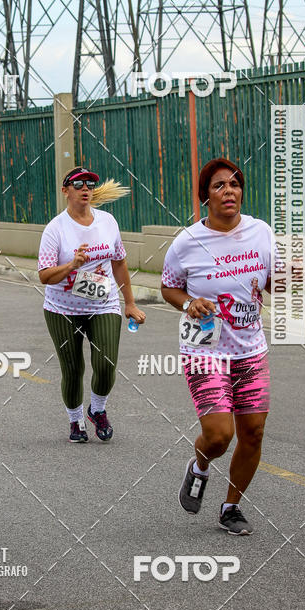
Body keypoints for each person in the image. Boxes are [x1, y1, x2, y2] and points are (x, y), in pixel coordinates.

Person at [161, 158, 276, 536]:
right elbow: (168, 286)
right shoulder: (187, 242)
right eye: (219, 186)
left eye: (235, 184)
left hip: (250, 349)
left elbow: (276, 284)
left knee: (253, 432)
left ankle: (231, 508)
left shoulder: (262, 233)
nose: (230, 191)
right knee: (218, 437)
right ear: (205, 197)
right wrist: (187, 303)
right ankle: (200, 466)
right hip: (205, 351)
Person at [38, 166, 146, 442]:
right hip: (62, 308)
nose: (85, 188)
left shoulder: (107, 222)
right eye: (78, 184)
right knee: (73, 370)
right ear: (66, 191)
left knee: (106, 362)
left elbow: (119, 261)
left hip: (103, 303)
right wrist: (72, 265)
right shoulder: (56, 229)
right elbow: (44, 276)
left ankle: (97, 410)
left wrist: (130, 302)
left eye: (90, 184)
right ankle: (75, 422)